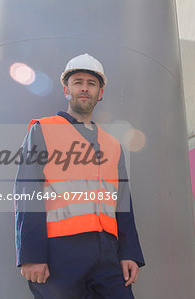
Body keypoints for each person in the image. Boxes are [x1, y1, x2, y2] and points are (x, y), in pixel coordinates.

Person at [14, 53, 145, 299]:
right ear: (66, 89)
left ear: (100, 92)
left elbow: (123, 202)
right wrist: (31, 255)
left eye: (91, 83)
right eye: (78, 82)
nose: (84, 88)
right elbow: (26, 192)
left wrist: (129, 252)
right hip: (59, 253)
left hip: (107, 253)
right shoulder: (43, 130)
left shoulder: (112, 145)